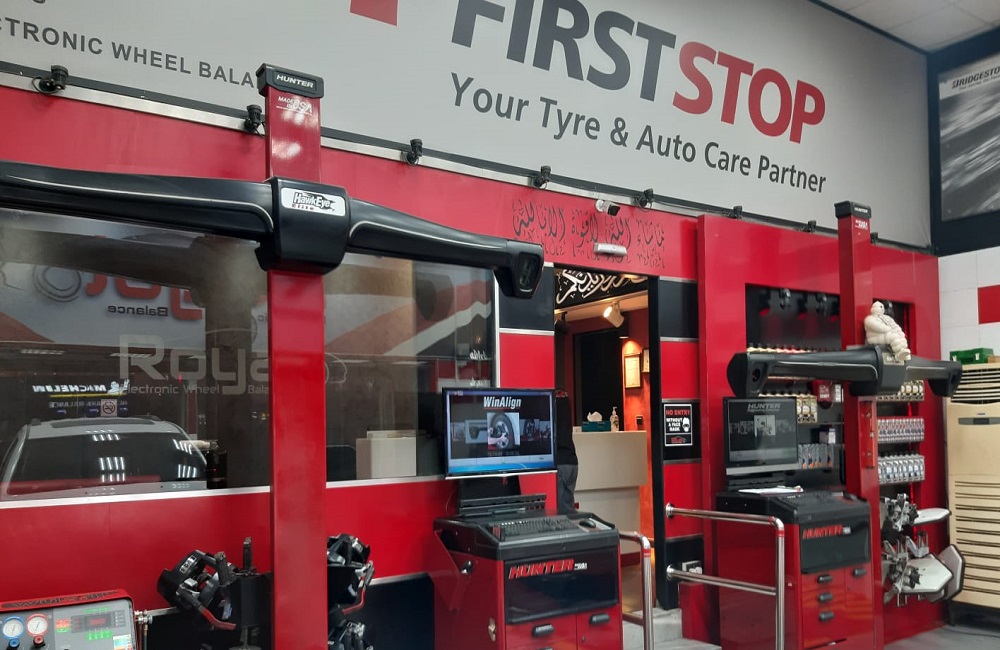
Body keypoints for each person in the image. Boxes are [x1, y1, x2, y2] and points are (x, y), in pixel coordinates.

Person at [554, 392, 578, 515]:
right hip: (572, 461)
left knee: (558, 510)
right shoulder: (565, 400)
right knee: (568, 508)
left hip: (560, 462)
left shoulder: (553, 401)